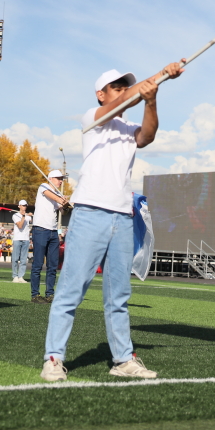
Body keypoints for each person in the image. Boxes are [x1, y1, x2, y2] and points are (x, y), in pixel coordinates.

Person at [41, 64, 183, 382]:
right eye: (115, 87)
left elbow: (147, 136)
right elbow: (123, 101)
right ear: (101, 94)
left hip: (122, 215)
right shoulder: (93, 118)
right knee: (71, 290)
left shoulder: (129, 127)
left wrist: (152, 98)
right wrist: (160, 75)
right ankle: (53, 358)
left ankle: (123, 359)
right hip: (90, 212)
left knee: (118, 295)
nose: (121, 91)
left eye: (124, 86)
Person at [30, 170, 68, 303]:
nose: (61, 181)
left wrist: (66, 204)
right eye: (58, 178)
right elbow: (54, 198)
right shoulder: (43, 187)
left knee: (52, 265)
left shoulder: (57, 193)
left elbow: (61, 209)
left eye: (62, 179)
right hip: (40, 229)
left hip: (53, 231)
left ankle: (50, 294)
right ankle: (35, 295)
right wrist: (61, 199)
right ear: (51, 178)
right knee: (38, 264)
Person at [11, 199, 32, 283]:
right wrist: (23, 216)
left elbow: (32, 220)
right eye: (23, 205)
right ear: (19, 206)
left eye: (25, 205)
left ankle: (21, 276)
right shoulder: (15, 215)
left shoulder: (28, 216)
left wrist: (29, 215)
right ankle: (15, 276)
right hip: (17, 239)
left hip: (26, 239)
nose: (24, 207)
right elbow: (20, 225)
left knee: (23, 260)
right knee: (15, 259)